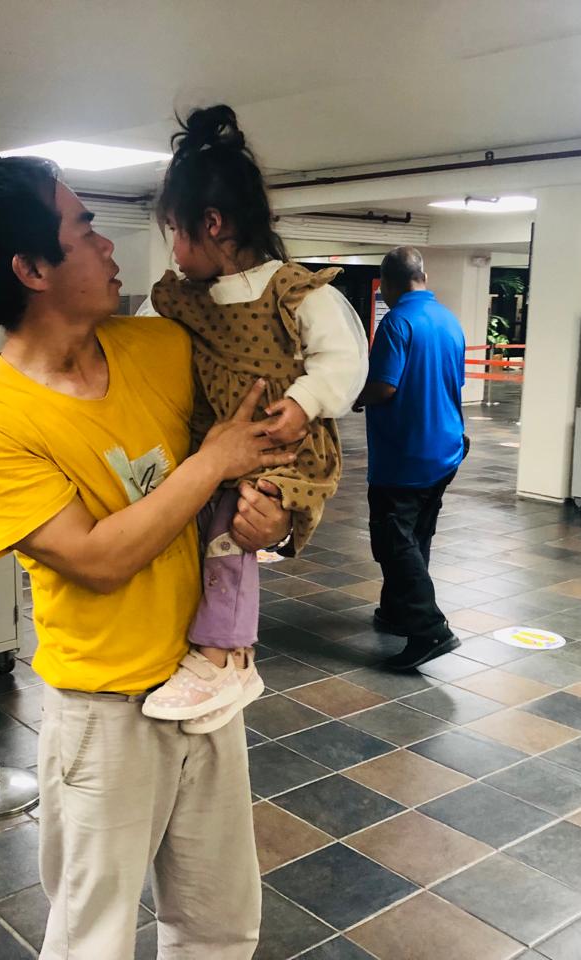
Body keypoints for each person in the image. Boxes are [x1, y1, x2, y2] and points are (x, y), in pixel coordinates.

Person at [0, 156, 292, 959]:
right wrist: (212, 465)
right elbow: (94, 559)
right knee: (93, 936)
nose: (110, 244)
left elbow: (249, 457)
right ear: (32, 269)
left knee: (221, 925)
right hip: (105, 711)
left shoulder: (160, 346)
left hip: (205, 684)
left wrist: (272, 519)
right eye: (83, 227)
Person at [140, 104, 368, 731]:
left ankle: (223, 657)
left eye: (176, 234)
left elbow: (344, 360)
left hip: (279, 448)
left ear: (212, 224)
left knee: (229, 533)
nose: (175, 252)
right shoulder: (185, 298)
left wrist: (302, 404)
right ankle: (211, 648)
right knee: (197, 527)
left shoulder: (294, 291)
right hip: (216, 444)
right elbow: (139, 338)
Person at [354, 246, 467, 670]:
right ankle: (397, 611)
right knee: (416, 535)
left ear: (387, 284)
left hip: (406, 454)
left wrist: (350, 398)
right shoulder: (448, 320)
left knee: (393, 539)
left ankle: (429, 629)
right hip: (446, 447)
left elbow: (384, 386)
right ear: (423, 274)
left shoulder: (397, 322)